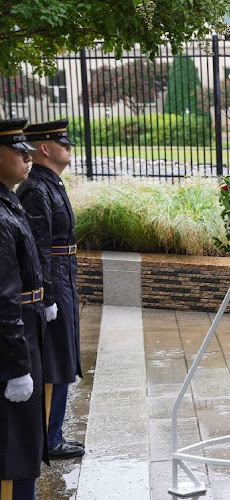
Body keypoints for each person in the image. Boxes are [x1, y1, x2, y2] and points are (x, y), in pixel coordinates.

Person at [17, 119, 84, 459]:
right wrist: (47, 296)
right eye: (63, 143)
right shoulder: (35, 188)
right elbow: (37, 248)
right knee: (55, 361)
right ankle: (48, 439)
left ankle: (53, 433)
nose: (68, 148)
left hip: (63, 277)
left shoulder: (49, 183)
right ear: (45, 147)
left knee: (64, 359)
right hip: (54, 280)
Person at [0, 118, 48, 500]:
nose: (26, 157)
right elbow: (4, 297)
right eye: (17, 152)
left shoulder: (10, 202)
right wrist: (18, 367)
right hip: (15, 337)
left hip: (27, 328)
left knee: (27, 437)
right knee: (17, 441)